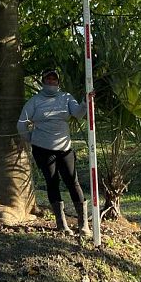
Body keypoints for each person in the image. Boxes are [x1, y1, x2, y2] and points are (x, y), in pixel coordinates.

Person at [17, 68, 90, 235]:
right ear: (43, 82)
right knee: (52, 182)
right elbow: (21, 124)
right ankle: (61, 223)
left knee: (73, 182)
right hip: (43, 149)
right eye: (48, 80)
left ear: (58, 82)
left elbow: (78, 114)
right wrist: (32, 138)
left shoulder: (66, 97)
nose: (51, 82)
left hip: (64, 149)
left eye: (54, 80)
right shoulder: (34, 101)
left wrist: (85, 103)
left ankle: (83, 223)